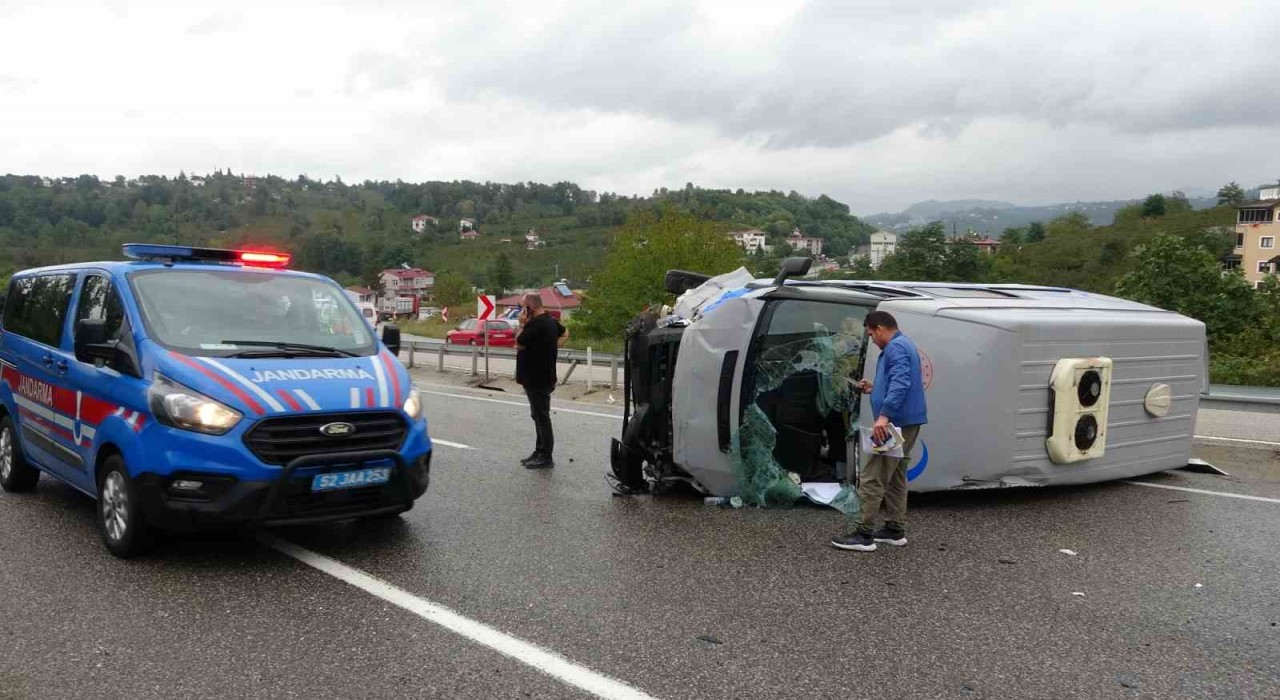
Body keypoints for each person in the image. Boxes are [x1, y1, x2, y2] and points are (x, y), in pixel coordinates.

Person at [832, 310, 927, 552]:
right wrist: (873, 388)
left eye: (871, 333)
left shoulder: (896, 348)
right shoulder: (904, 345)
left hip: (895, 424)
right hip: (906, 421)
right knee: (896, 476)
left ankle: (864, 534)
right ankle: (895, 529)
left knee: (873, 476)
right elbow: (898, 381)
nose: (872, 339)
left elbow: (901, 383)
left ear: (881, 328)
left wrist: (883, 418)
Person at [515, 292, 567, 469]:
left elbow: (519, 343)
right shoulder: (551, 321)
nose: (520, 311)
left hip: (537, 377)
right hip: (543, 375)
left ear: (530, 307)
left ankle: (546, 456)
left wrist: (522, 325)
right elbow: (565, 332)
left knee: (542, 416)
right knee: (537, 414)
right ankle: (539, 450)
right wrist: (552, 347)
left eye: (522, 307)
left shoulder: (535, 325)